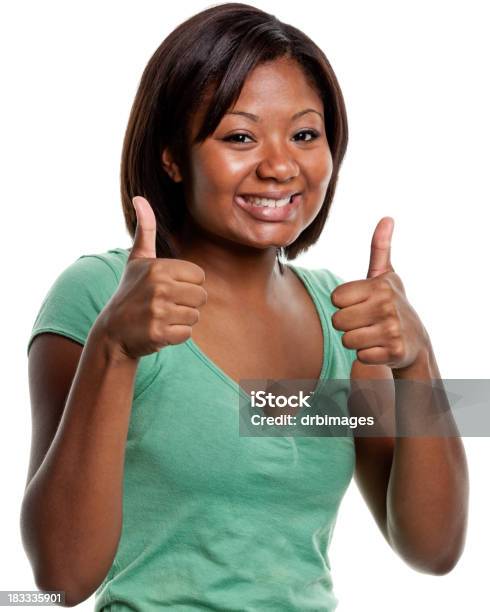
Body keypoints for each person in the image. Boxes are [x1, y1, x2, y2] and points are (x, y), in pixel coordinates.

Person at [21, 3, 469, 610]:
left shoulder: (342, 320)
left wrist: (419, 362)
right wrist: (114, 348)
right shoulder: (100, 296)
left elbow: (433, 550)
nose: (280, 165)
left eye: (305, 135)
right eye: (239, 136)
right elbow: (59, 580)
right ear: (171, 157)